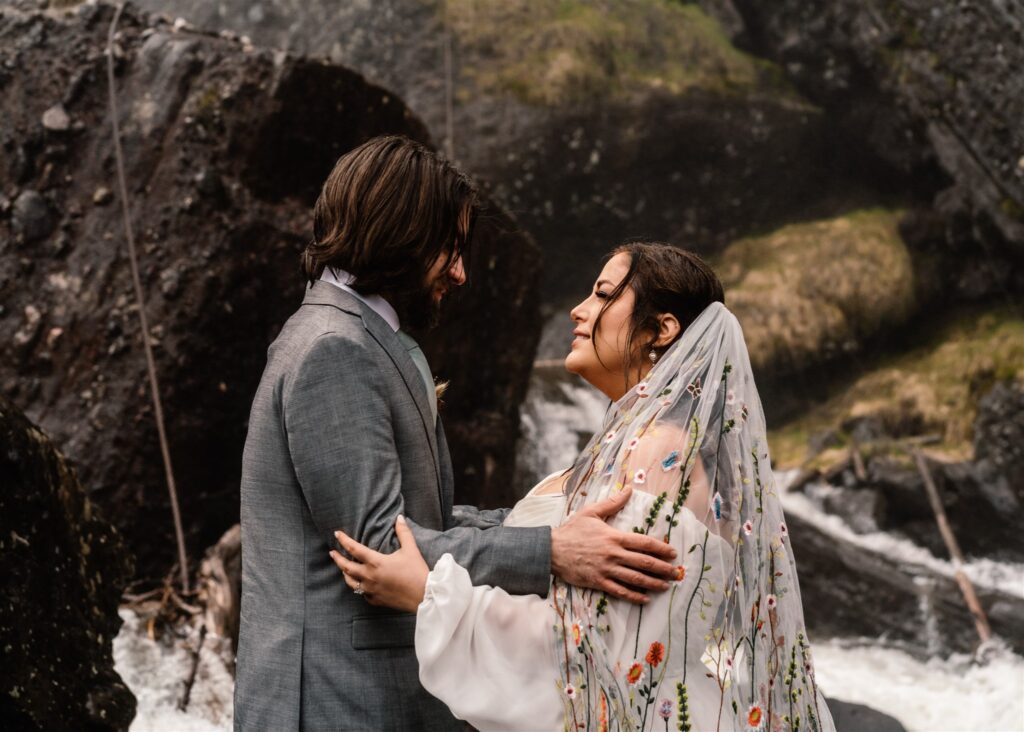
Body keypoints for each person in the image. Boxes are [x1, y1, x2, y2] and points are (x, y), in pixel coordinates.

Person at [234, 137, 680, 731]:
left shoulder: (352, 336)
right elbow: (382, 546)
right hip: (334, 700)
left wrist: (541, 522)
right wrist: (551, 553)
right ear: (404, 234)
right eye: (451, 249)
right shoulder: (332, 350)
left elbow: (426, 516)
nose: (461, 272)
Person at [332, 242, 837, 732]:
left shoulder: (659, 453)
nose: (578, 310)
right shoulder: (624, 444)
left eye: (602, 294)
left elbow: (599, 654)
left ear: (660, 330)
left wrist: (427, 594)